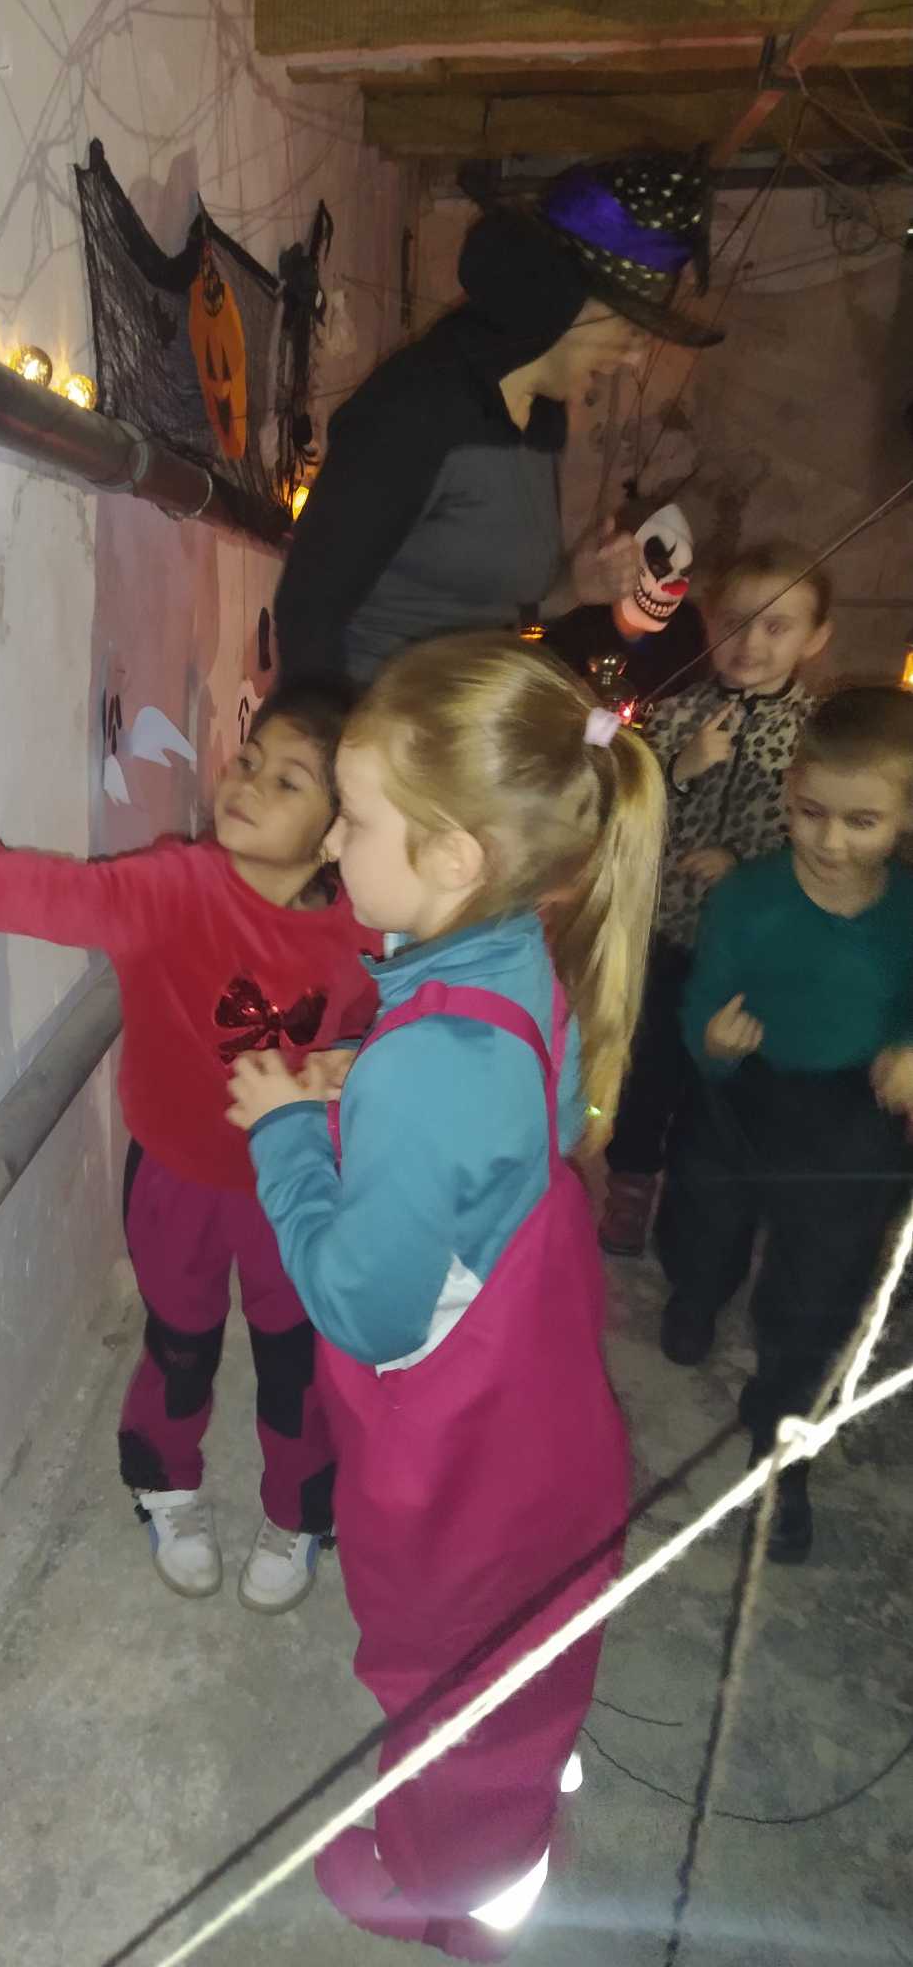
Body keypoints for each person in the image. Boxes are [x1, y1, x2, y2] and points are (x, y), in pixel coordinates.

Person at [0, 682, 379, 1613]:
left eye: (287, 782)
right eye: (249, 760)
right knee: (180, 1343)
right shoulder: (173, 888)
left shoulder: (365, 924)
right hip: (176, 1180)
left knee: (299, 1362)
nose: (247, 783)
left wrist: (358, 1059)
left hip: (302, 1188)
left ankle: (300, 1512)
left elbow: (420, 1009)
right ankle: (162, 1480)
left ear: (337, 833)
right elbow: (36, 891)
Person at [226, 634, 664, 1954]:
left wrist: (284, 1132)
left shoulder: (431, 1062)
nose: (332, 842)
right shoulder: (518, 956)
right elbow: (507, 1128)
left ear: (456, 856)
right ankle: (524, 1773)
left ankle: (455, 1885)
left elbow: (359, 1306)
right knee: (518, 1657)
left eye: (354, 820)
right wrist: (361, 1080)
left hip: (465, 1470)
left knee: (443, 1673)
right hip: (546, 1437)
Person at [274, 153, 722, 687]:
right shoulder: (422, 408)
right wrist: (330, 731)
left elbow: (487, 607)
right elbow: (309, 611)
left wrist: (574, 587)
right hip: (370, 717)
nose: (634, 360)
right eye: (631, 332)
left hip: (446, 719)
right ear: (568, 303)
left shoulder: (540, 423)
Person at [655, 689, 913, 1564]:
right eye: (811, 813)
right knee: (702, 1226)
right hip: (744, 1097)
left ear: (904, 818)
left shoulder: (907, 911)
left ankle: (781, 1442)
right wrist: (713, 1043)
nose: (831, 842)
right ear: (791, 792)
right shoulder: (750, 896)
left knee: (820, 1289)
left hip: (850, 1111)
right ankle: (698, 1290)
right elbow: (702, 1000)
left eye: (863, 822)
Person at [599, 542, 832, 1257]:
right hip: (671, 931)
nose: (751, 642)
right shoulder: (672, 715)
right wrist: (678, 770)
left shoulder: (818, 736)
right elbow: (624, 814)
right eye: (735, 621)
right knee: (650, 1066)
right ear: (707, 621)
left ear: (815, 638)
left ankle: (698, 1208)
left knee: (724, 1081)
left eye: (777, 626)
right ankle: (631, 1181)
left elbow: (822, 835)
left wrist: (745, 868)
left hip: (758, 949)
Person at [541, 499, 706, 703]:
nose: (675, 586)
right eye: (658, 567)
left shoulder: (688, 627)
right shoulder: (574, 630)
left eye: (684, 572)